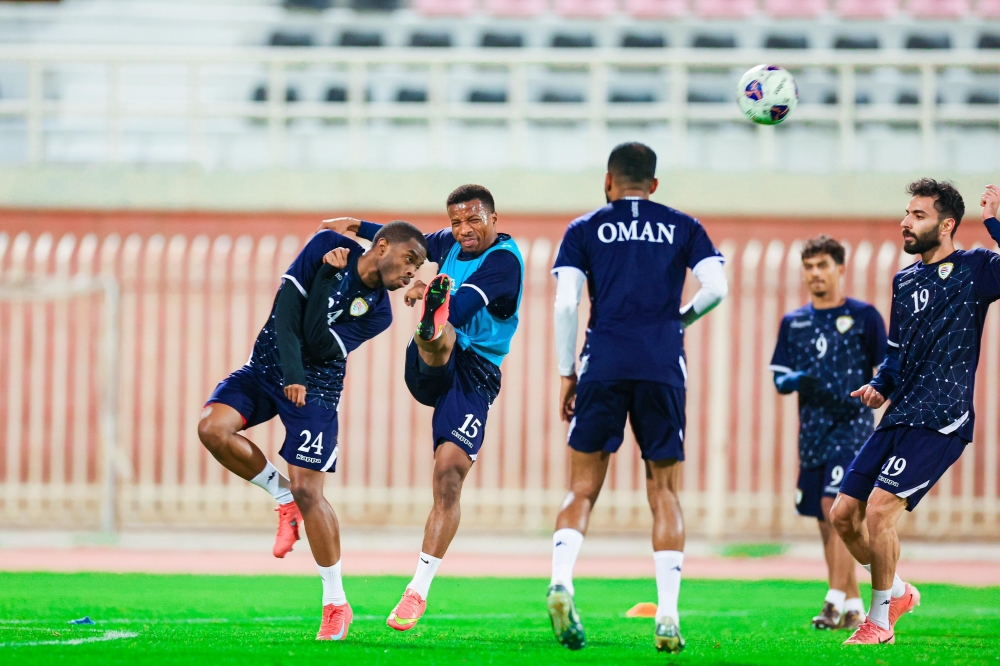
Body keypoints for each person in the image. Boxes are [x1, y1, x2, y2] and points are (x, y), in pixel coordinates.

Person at [197, 222, 428, 641]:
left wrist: (323, 279)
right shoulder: (326, 244)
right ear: (381, 248)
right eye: (409, 260)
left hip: (317, 389)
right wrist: (289, 374)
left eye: (418, 267)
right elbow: (285, 312)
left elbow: (320, 343)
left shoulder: (379, 312)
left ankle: (336, 602)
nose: (412, 273)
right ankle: (281, 496)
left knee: (311, 492)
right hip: (267, 367)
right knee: (213, 429)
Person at [545, 142, 728, 654]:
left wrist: (567, 373)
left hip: (602, 362)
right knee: (664, 492)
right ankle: (667, 615)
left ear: (609, 181)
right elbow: (716, 288)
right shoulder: (683, 225)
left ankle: (561, 581)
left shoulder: (583, 229)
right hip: (662, 364)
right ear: (653, 184)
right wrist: (678, 321)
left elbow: (566, 305)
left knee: (581, 488)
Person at [318, 184, 524, 632]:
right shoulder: (450, 242)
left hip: (476, 373)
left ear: (494, 219)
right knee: (439, 332)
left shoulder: (505, 264)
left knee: (449, 472)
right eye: (456, 222)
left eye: (474, 220)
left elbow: (464, 307)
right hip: (433, 363)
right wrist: (352, 227)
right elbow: (408, 242)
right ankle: (430, 329)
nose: (464, 230)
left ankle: (417, 591)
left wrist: (433, 293)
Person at [832, 180, 1000, 645]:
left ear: (947, 226)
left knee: (881, 511)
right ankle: (899, 590)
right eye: (907, 212)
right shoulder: (904, 280)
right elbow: (896, 352)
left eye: (919, 215)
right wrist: (879, 385)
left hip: (942, 418)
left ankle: (879, 622)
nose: (906, 222)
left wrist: (992, 222)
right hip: (901, 414)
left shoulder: (976, 269)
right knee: (844, 515)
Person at [769, 236, 886, 631]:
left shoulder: (865, 316)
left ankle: (832, 602)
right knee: (827, 522)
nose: (815, 274)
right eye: (809, 267)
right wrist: (792, 381)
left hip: (852, 427)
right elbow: (780, 374)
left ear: (840, 268)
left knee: (834, 509)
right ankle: (854, 604)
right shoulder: (794, 322)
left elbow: (886, 369)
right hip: (813, 432)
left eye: (822, 265)